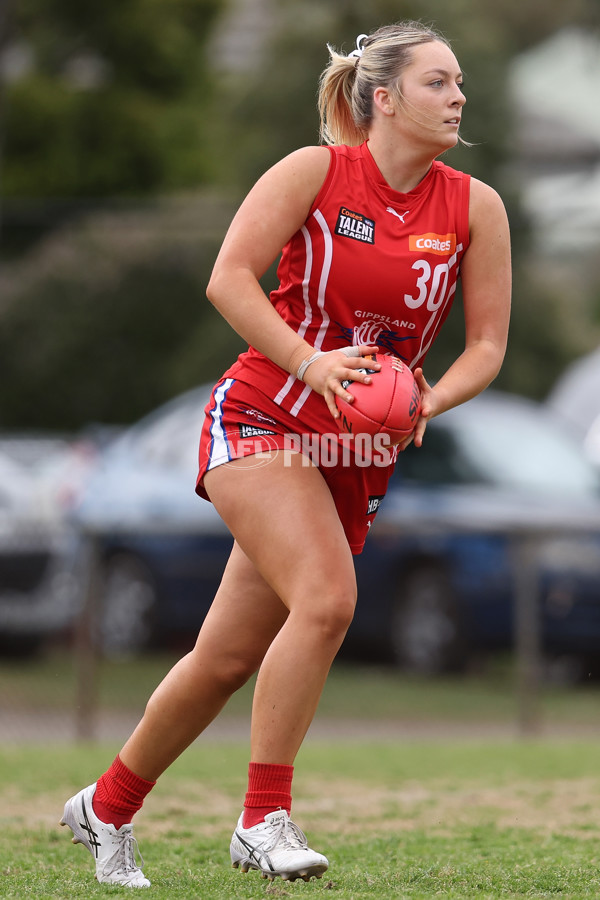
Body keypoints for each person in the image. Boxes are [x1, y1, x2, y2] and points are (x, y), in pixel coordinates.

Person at [59, 20, 511, 888]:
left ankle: (105, 807)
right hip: (264, 414)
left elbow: (486, 345)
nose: (459, 97)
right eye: (438, 82)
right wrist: (310, 361)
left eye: (459, 84)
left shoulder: (475, 206)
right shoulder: (314, 172)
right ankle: (263, 818)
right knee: (329, 600)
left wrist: (428, 398)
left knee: (225, 658)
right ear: (383, 98)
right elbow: (229, 275)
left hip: (357, 450)